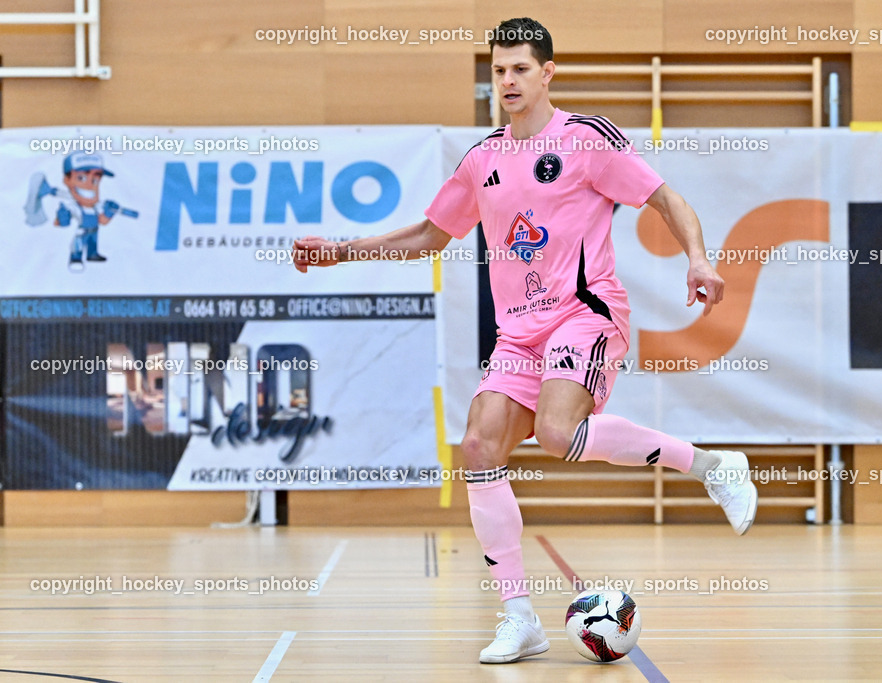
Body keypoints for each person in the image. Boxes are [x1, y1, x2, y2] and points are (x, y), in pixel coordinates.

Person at [292, 16, 757, 665]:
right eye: (498, 68)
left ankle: (713, 465)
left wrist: (699, 259)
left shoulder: (585, 139)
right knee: (479, 443)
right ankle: (519, 616)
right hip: (519, 332)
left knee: (559, 430)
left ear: (547, 74)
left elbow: (667, 200)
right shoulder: (482, 159)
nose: (506, 80)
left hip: (586, 313)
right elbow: (430, 236)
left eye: (519, 68)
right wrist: (341, 251)